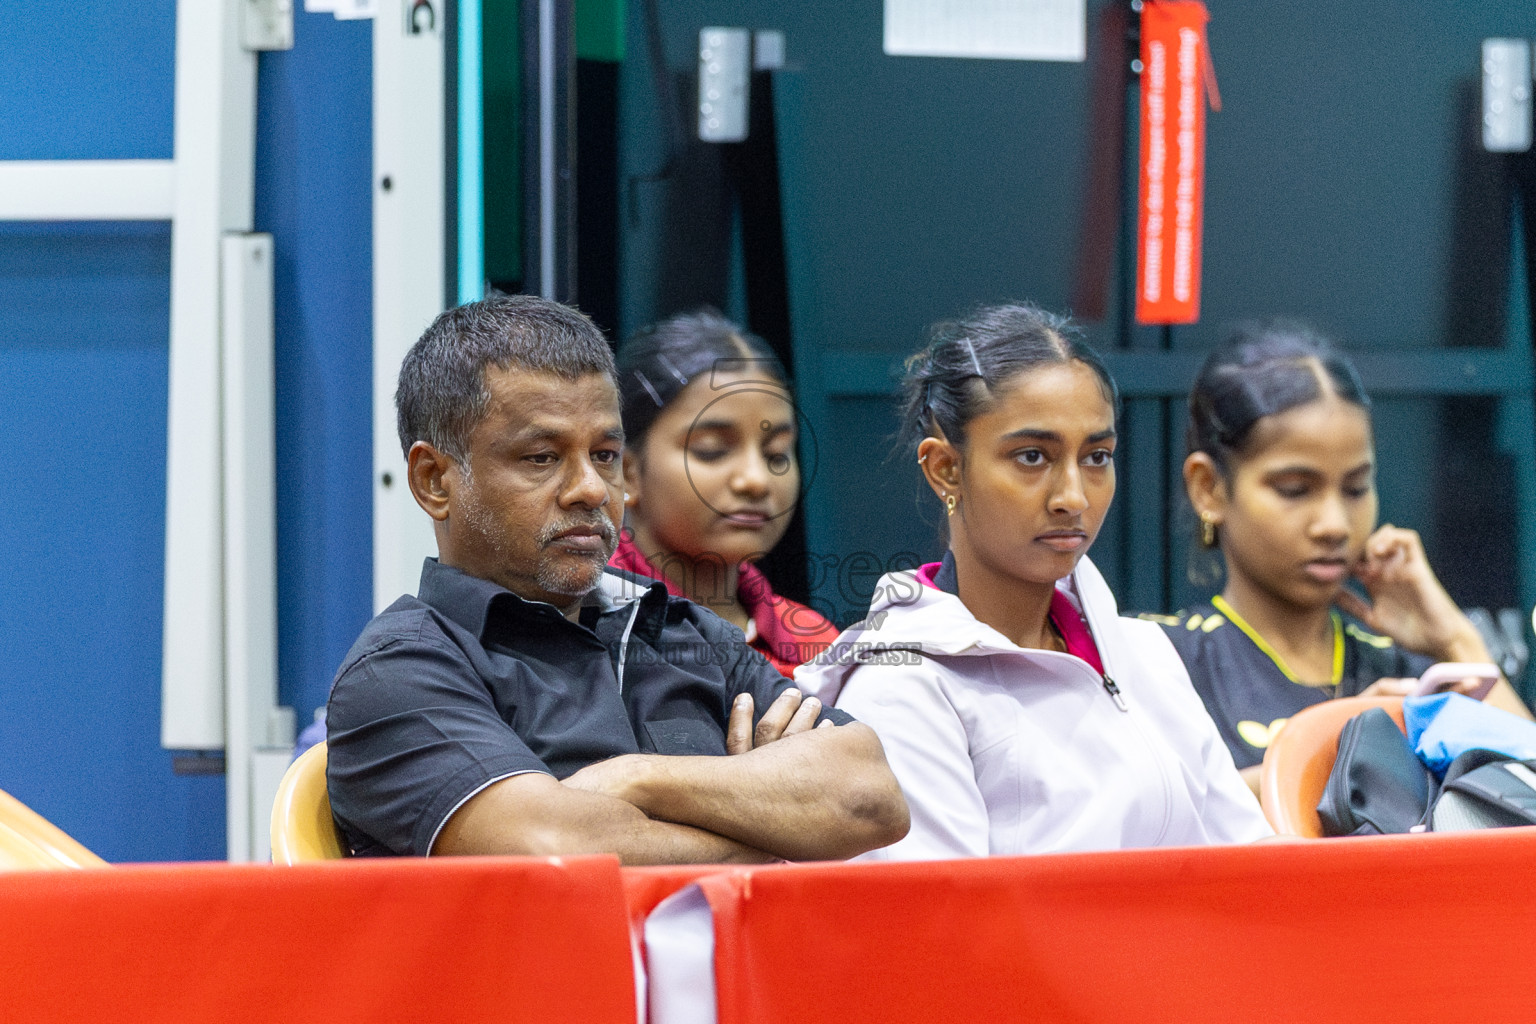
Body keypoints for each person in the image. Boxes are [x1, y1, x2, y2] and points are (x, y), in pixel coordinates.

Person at [325, 294, 908, 861]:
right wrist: (773, 821)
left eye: (604, 455)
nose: (592, 490)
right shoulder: (403, 669)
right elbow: (554, 849)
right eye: (541, 458)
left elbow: (870, 801)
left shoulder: (683, 632)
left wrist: (641, 779)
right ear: (434, 480)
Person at [796, 303, 1271, 859]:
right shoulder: (901, 689)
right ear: (946, 469)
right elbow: (940, 930)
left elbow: (1248, 860)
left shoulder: (1144, 655)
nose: (1073, 496)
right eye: (1031, 456)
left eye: (1097, 456)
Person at [1156, 321, 1532, 791]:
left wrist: (1456, 642)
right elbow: (1143, 824)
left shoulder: (1410, 677)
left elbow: (1525, 800)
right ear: (1208, 488)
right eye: (1295, 490)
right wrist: (1338, 749)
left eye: (1356, 488)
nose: (1334, 524)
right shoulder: (1157, 663)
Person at [609, 309, 839, 676]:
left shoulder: (816, 647)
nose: (756, 480)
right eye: (712, 450)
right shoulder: (582, 626)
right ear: (625, 472)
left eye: (776, 454)